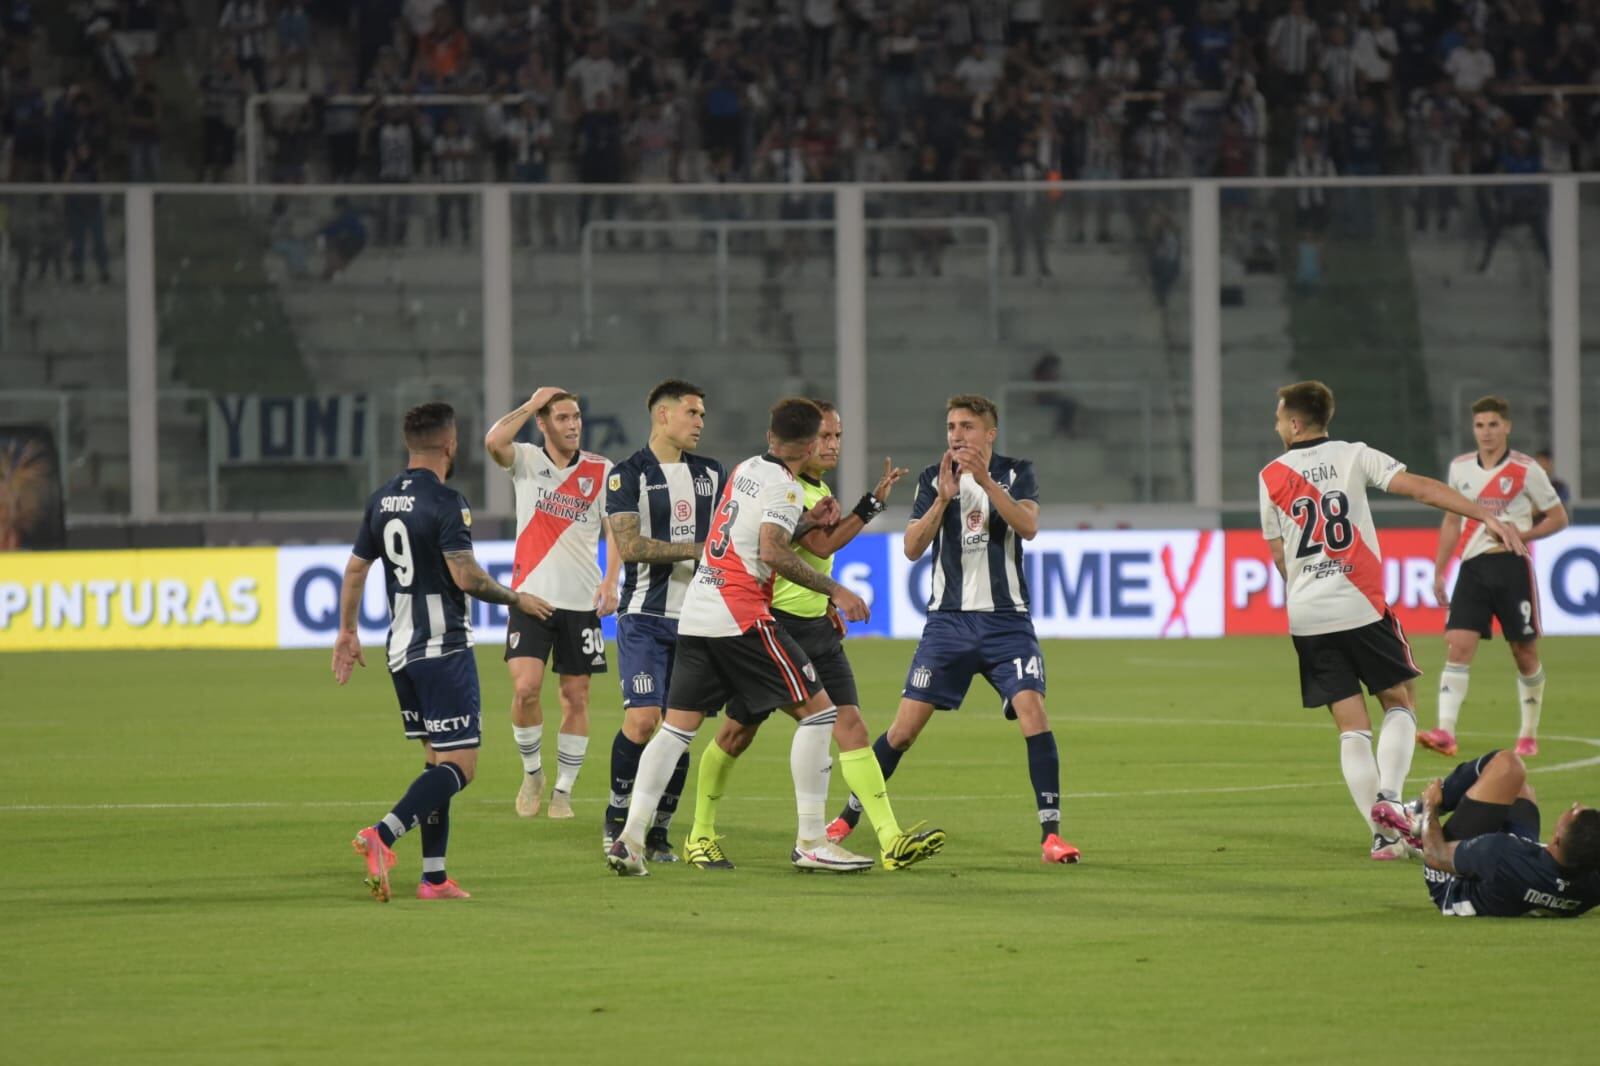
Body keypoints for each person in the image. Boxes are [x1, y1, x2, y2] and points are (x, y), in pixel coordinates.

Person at [605, 398, 875, 877]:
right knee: (820, 714)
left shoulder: (749, 467)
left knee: (675, 730)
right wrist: (835, 589)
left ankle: (629, 838)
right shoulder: (787, 488)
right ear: (811, 444)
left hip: (698, 612)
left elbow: (754, 535)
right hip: (740, 613)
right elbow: (771, 551)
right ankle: (813, 841)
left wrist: (811, 523)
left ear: (771, 436)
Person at [1258, 381, 1527, 860]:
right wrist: (1483, 517)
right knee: (1399, 699)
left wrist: (1307, 580)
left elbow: (1279, 555)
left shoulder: (1270, 475)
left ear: (1295, 423)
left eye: (1279, 418)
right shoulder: (1355, 455)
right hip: (1360, 604)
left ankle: (1384, 838)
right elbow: (1422, 489)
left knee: (1350, 727)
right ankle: (1389, 801)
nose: (1277, 425)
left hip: (1307, 615)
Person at [683, 402, 944, 872]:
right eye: (825, 437)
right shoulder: (783, 487)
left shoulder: (813, 486)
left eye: (838, 437)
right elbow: (817, 546)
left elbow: (817, 552)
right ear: (805, 441)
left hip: (816, 630)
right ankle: (702, 832)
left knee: (852, 727)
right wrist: (867, 513)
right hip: (775, 627)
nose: (832, 446)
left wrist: (824, 603)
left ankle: (890, 840)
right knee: (737, 733)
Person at [828, 394, 1082, 865]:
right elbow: (910, 548)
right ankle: (846, 818)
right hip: (948, 625)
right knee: (902, 732)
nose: (957, 435)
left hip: (1008, 624)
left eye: (967, 426)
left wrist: (985, 482)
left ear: (990, 433)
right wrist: (943, 498)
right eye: (950, 427)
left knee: (1033, 712)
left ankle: (1051, 836)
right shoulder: (932, 478)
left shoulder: (1015, 471)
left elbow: (1027, 527)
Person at [334, 402, 552, 902]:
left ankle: (433, 877)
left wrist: (347, 632)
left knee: (437, 765)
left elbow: (354, 571)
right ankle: (381, 835)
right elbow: (466, 577)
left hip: (400, 651)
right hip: (443, 648)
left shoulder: (381, 499)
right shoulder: (448, 502)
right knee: (462, 767)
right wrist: (518, 597)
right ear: (450, 445)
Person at [601, 380, 727, 861]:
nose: (699, 422)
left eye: (702, 414)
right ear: (662, 415)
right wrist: (696, 549)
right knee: (641, 720)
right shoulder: (626, 475)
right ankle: (616, 817)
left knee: (680, 728)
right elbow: (630, 547)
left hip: (697, 620)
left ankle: (658, 833)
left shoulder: (712, 474)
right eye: (692, 413)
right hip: (644, 615)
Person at [484, 388, 619, 822]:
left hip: (581, 602)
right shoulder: (525, 460)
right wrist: (528, 403)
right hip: (531, 597)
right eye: (561, 417)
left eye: (576, 416)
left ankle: (563, 790)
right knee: (525, 689)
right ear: (543, 424)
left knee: (575, 698)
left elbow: (616, 529)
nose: (573, 424)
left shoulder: (601, 470)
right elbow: (492, 442)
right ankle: (532, 774)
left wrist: (611, 580)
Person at [1419, 397, 1567, 759]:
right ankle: (1446, 733)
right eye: (1480, 425)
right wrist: (1440, 569)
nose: (1486, 432)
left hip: (1511, 567)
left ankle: (1528, 733)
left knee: (1524, 651)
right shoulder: (1460, 468)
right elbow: (1452, 521)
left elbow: (1558, 517)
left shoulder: (1526, 469)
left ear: (1507, 427)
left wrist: (1521, 535)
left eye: (1493, 424)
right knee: (1457, 644)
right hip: (1472, 567)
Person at [1374, 750, 1600, 918]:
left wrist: (1430, 807)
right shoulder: (1591, 883)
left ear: (1558, 838)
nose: (1575, 803)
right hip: (1518, 880)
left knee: (1508, 766)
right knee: (1518, 788)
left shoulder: (1501, 853)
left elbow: (1436, 854)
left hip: (1451, 881)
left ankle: (1416, 813)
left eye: (1573, 811)